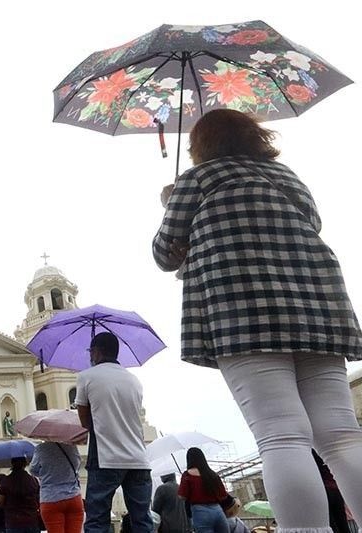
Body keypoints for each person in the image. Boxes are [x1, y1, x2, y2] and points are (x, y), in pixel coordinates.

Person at [152, 108, 362, 530]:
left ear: (200, 146)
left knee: (281, 433)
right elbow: (313, 221)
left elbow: (163, 251)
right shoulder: (284, 176)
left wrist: (171, 200)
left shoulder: (196, 180)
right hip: (316, 303)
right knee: (341, 434)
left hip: (242, 307)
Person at [75, 332, 153, 533]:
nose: (90, 356)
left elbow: (84, 421)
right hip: (138, 458)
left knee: (97, 520)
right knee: (142, 520)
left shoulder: (86, 376)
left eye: (91, 351)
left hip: (106, 456)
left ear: (97, 351)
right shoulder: (134, 380)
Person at [29, 441, 85, 533]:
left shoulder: (41, 448)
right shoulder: (71, 446)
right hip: (73, 496)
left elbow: (33, 470)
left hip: (51, 498)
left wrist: (46, 474)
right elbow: (77, 464)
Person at [177, 448, 229, 533]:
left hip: (200, 511)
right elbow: (223, 495)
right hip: (217, 510)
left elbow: (182, 496)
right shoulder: (212, 474)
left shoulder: (187, 475)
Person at [0, 457, 41, 533]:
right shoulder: (33, 480)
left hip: (13, 522)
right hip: (31, 521)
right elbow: (39, 499)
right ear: (25, 464)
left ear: (12, 464)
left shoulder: (6, 481)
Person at [313, 450, 351, 533]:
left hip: (323, 491)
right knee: (342, 524)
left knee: (332, 525)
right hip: (336, 490)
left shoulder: (311, 453)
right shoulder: (327, 451)